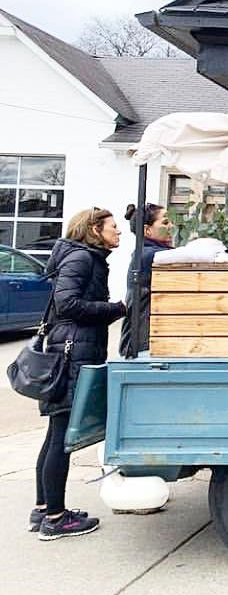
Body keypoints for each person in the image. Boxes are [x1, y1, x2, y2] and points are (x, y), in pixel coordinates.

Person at [33, 207, 126, 540]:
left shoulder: (85, 257)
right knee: (61, 438)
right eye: (113, 227)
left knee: (54, 434)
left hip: (71, 350)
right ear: (94, 229)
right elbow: (67, 304)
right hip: (72, 354)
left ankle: (44, 509)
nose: (119, 232)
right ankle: (56, 519)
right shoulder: (82, 259)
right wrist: (116, 309)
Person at [120, 203, 174, 356]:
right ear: (147, 230)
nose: (172, 226)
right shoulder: (147, 255)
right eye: (165, 222)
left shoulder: (150, 252)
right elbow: (186, 255)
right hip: (142, 344)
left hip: (145, 340)